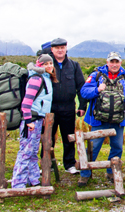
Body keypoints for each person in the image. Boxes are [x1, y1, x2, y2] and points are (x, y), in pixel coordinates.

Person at [77, 52, 125, 187]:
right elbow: (84, 92)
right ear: (107, 62)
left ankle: (112, 172)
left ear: (120, 63)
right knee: (93, 148)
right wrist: (97, 90)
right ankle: (85, 174)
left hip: (118, 120)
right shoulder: (96, 76)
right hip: (98, 120)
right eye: (112, 62)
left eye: (117, 62)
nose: (114, 64)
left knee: (117, 148)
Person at [11, 54, 56, 188]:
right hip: (31, 121)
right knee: (25, 152)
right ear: (39, 65)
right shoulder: (37, 78)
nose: (49, 66)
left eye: (50, 63)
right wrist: (28, 119)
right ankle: (18, 183)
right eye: (45, 64)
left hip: (37, 119)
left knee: (33, 151)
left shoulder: (45, 78)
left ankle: (33, 178)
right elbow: (26, 101)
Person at [48, 38, 88, 175]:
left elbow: (81, 87)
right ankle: (47, 163)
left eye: (62, 47)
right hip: (49, 109)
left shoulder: (74, 65)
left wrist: (82, 105)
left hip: (68, 108)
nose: (60, 50)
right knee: (48, 137)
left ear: (66, 49)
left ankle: (70, 164)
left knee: (69, 137)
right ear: (52, 49)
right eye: (57, 48)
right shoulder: (47, 65)